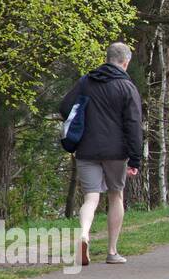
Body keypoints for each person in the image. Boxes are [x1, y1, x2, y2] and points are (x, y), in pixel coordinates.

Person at [58, 43, 143, 266]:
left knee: (91, 197)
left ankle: (84, 234)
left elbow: (65, 106)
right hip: (116, 151)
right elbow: (134, 125)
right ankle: (112, 251)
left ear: (107, 58)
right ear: (126, 62)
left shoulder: (86, 81)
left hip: (86, 148)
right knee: (116, 195)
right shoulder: (127, 87)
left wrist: (83, 119)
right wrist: (135, 158)